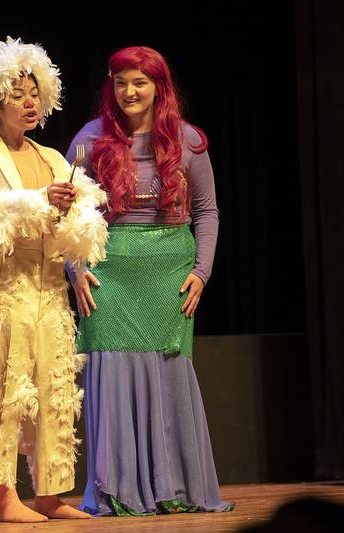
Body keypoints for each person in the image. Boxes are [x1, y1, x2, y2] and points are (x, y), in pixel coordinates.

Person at [0, 38, 108, 523]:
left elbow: (81, 222)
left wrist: (72, 220)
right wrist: (39, 202)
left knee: (54, 387)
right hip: (7, 285)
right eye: (16, 93)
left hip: (49, 285)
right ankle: (6, 497)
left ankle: (50, 494)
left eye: (33, 92)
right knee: (6, 387)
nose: (28, 101)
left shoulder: (55, 158)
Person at [66, 45, 234, 516]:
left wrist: (202, 271)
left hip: (168, 274)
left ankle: (173, 486)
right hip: (109, 273)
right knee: (112, 374)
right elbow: (66, 213)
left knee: (168, 371)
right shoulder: (89, 139)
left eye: (139, 82)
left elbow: (207, 211)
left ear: (159, 87)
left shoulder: (188, 141)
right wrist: (74, 268)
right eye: (120, 82)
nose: (129, 91)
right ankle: (116, 490)